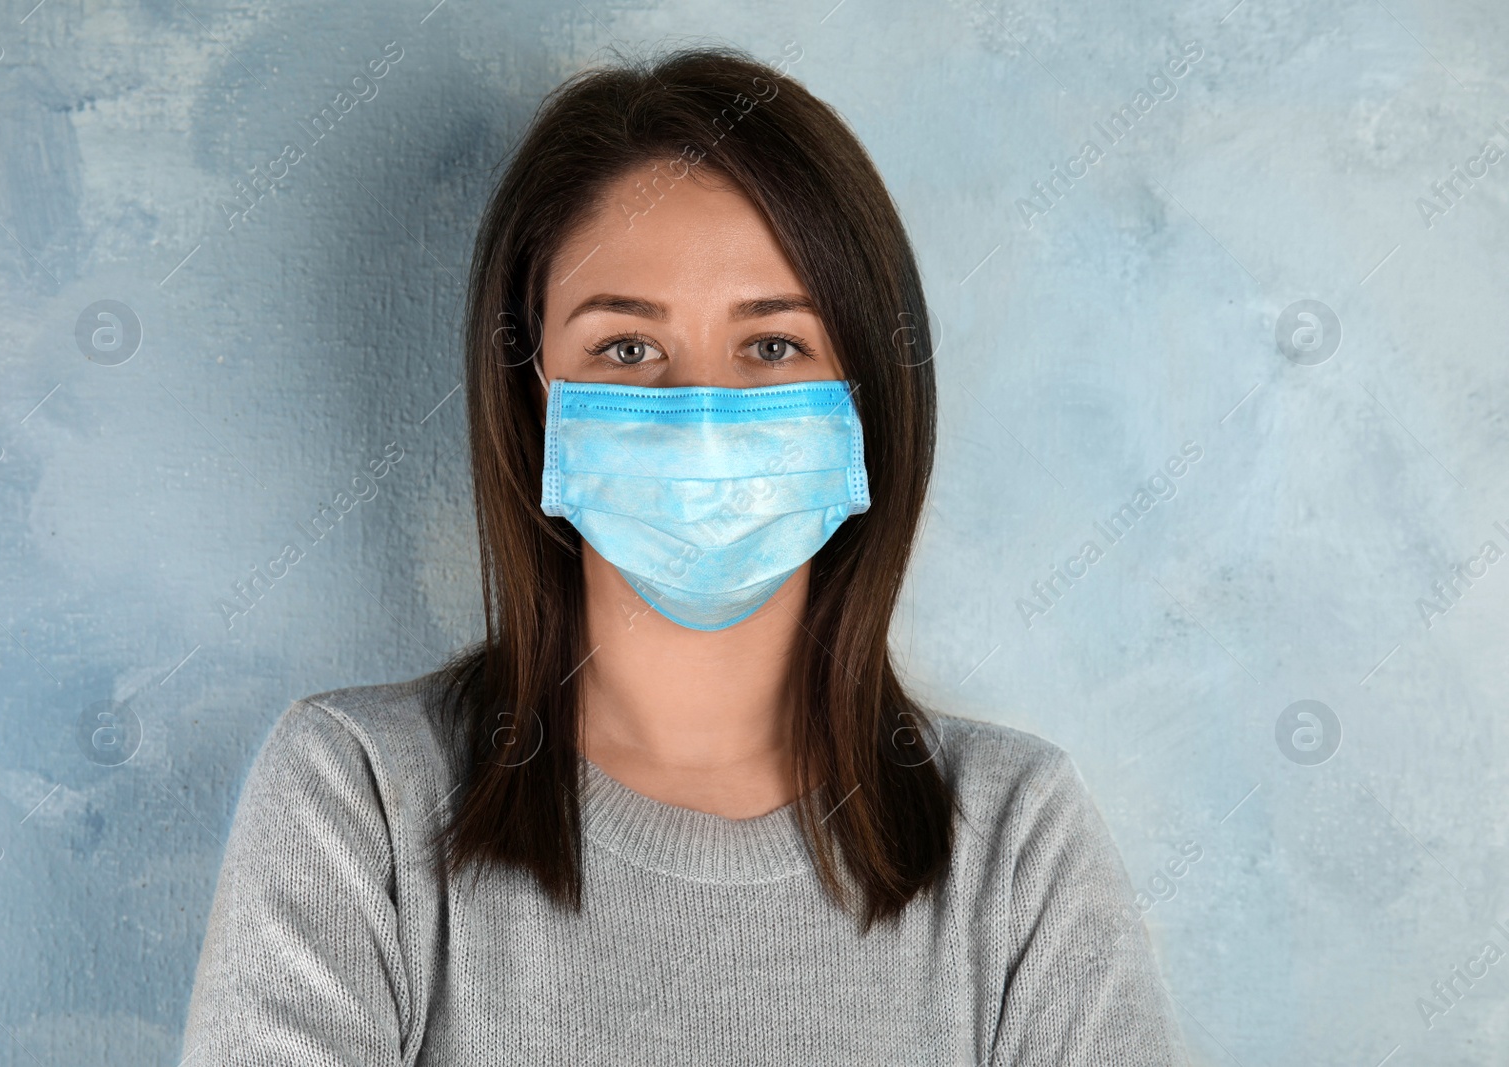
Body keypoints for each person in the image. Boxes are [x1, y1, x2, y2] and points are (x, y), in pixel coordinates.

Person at [180, 45, 1189, 1066]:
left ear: (867, 393)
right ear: (535, 397)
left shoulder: (1016, 841)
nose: (702, 416)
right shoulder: (359, 799)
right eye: (627, 349)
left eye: (772, 346)